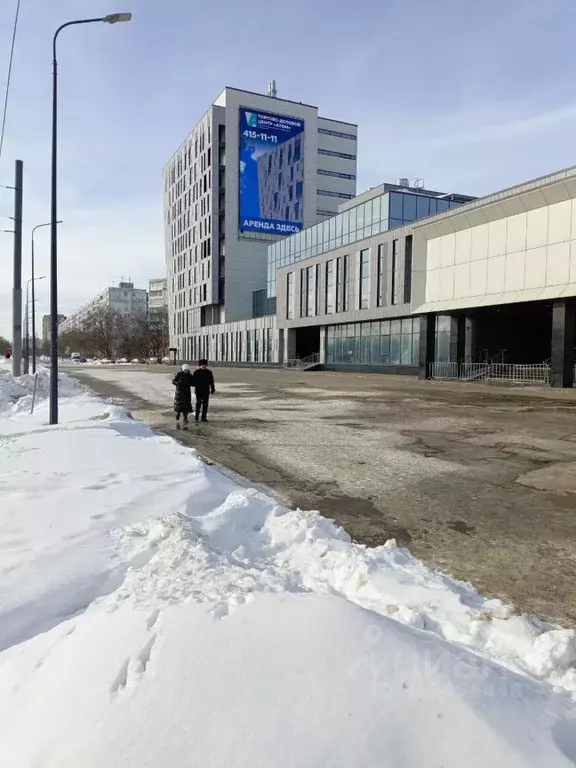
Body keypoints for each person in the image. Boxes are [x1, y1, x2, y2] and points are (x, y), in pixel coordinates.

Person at [172, 363, 194, 429]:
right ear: (183, 369)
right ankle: (178, 413)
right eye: (185, 370)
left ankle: (185, 418)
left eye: (187, 370)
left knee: (186, 406)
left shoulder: (190, 375)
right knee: (179, 405)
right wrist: (177, 383)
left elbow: (192, 382)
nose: (186, 371)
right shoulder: (179, 374)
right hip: (180, 393)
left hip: (187, 393)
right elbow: (173, 381)